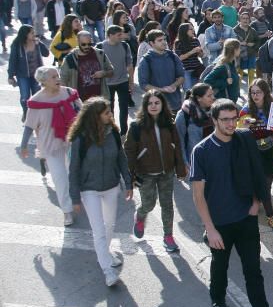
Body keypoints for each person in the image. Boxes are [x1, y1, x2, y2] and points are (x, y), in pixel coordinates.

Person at [190, 99, 273, 307]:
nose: (231, 124)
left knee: (253, 270)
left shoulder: (244, 139)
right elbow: (198, 196)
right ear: (214, 120)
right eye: (225, 119)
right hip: (220, 223)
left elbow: (257, 172)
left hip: (246, 219)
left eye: (234, 118)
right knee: (220, 266)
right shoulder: (201, 151)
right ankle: (218, 299)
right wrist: (210, 229)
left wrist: (255, 203)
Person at [68, 97, 133, 287]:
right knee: (98, 230)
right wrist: (74, 198)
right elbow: (74, 169)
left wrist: (128, 182)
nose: (110, 115)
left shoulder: (112, 132)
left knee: (110, 225)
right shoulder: (80, 138)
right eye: (106, 113)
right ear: (95, 117)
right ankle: (107, 269)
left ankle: (106, 254)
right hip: (89, 190)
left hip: (111, 186)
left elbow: (121, 158)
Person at [124, 90, 188, 254]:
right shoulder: (136, 127)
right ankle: (140, 215)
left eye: (157, 103)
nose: (153, 106)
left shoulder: (169, 123)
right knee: (149, 204)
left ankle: (168, 236)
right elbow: (129, 152)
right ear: (145, 106)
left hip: (166, 172)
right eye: (150, 103)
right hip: (146, 174)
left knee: (167, 205)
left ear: (162, 105)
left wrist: (180, 168)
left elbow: (177, 147)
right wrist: (130, 177)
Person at [22, 66, 81, 226]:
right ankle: (67, 211)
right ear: (43, 82)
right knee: (60, 178)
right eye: (53, 77)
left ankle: (76, 200)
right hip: (51, 146)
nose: (57, 79)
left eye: (57, 76)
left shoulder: (69, 92)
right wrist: (24, 145)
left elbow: (83, 112)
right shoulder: (36, 101)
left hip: (71, 142)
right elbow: (29, 125)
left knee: (72, 174)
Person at [240, 78, 273, 229]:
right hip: (253, 151)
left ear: (265, 92)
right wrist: (244, 125)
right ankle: (270, 215)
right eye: (252, 92)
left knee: (267, 182)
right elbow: (238, 131)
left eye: (258, 92)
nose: (255, 95)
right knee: (262, 183)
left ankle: (256, 200)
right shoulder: (245, 110)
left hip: (271, 150)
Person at [59, 30, 115, 103]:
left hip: (100, 99)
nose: (87, 46)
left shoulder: (100, 54)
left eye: (89, 44)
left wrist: (103, 73)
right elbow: (63, 80)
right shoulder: (70, 59)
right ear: (78, 42)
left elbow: (111, 71)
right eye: (83, 44)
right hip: (80, 101)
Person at [137, 30, 186, 112]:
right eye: (160, 40)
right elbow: (143, 84)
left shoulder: (172, 56)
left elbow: (181, 76)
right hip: (156, 107)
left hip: (175, 104)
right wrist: (162, 90)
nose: (164, 42)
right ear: (151, 43)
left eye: (164, 39)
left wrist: (173, 86)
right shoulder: (146, 60)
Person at [8, 25, 49, 120]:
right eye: (32, 33)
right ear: (25, 34)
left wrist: (41, 44)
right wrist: (11, 76)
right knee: (25, 96)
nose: (34, 34)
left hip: (36, 75)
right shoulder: (17, 45)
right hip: (23, 75)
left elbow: (46, 54)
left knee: (37, 95)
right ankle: (26, 111)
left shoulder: (37, 43)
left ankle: (35, 115)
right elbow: (12, 60)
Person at [97, 25, 134, 131]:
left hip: (123, 81)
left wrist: (131, 81)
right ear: (110, 35)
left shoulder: (125, 46)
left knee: (124, 108)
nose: (121, 36)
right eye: (119, 35)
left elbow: (129, 65)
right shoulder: (100, 47)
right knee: (109, 109)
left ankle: (124, 131)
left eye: (121, 34)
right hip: (107, 84)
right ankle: (112, 130)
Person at [175, 83, 216, 167]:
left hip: (212, 157)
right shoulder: (183, 115)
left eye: (212, 94)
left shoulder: (214, 110)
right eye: (209, 96)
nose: (213, 98)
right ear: (198, 98)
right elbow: (179, 141)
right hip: (193, 161)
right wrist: (184, 164)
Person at [204, 38, 242, 102]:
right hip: (223, 103)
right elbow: (207, 80)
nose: (240, 50)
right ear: (234, 50)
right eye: (239, 48)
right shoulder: (223, 66)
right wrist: (225, 82)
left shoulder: (232, 63)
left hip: (230, 101)